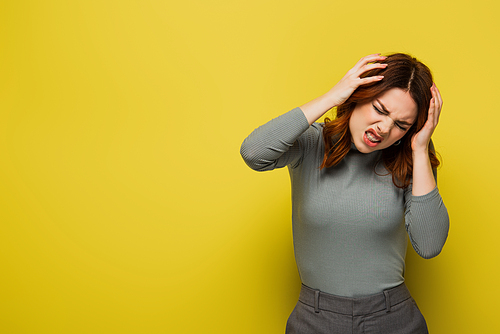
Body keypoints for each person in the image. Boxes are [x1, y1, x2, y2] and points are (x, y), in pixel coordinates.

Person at [240, 53, 449, 333]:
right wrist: (332, 96)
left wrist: (421, 149)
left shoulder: (410, 158)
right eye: (380, 109)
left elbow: (430, 244)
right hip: (315, 319)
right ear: (358, 96)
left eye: (401, 125)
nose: (385, 128)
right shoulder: (313, 142)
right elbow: (254, 153)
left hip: (393, 319)